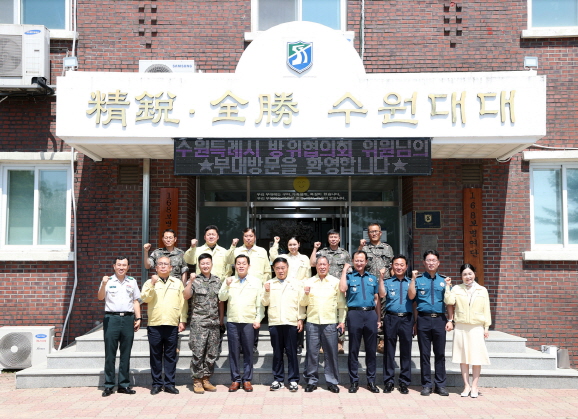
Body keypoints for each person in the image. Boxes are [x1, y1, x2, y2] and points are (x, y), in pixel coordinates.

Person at [408, 250, 454, 397]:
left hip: (440, 320)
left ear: (438, 263)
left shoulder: (445, 281)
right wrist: (415, 322)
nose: (431, 263)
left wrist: (450, 320)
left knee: (440, 354)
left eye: (434, 260)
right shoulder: (418, 280)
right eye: (428, 260)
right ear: (424, 263)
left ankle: (440, 385)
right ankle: (427, 385)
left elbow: (449, 302)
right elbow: (412, 299)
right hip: (423, 319)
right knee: (425, 354)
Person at [141, 256, 188, 395]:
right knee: (155, 355)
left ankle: (169, 384)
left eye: (165, 264)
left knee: (170, 356)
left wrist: (182, 320)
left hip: (171, 323)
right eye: (160, 264)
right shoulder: (149, 282)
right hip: (155, 324)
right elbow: (145, 298)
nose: (162, 266)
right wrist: (152, 284)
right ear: (156, 268)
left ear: (171, 267)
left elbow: (183, 302)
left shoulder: (177, 283)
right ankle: (156, 384)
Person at [300, 256, 347, 393]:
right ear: (316, 266)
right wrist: (306, 294)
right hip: (312, 322)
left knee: (331, 353)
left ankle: (332, 381)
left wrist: (342, 320)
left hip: (330, 323)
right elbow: (302, 303)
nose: (322, 267)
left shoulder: (335, 282)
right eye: (319, 264)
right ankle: (311, 381)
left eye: (324, 264)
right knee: (312, 353)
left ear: (328, 266)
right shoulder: (309, 282)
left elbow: (341, 303)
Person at [444, 264, 491, 398]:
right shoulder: (456, 288)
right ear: (461, 276)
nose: (467, 276)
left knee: (476, 357)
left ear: (474, 274)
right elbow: (449, 301)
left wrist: (486, 327)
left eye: (470, 273)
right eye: (464, 274)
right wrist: (448, 287)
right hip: (461, 327)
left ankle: (475, 386)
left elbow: (486, 309)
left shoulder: (482, 290)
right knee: (463, 357)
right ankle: (466, 385)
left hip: (476, 327)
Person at [218, 254, 264, 392]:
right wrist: (226, 286)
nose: (241, 266)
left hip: (249, 321)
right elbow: (221, 297)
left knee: (249, 351)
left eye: (244, 263)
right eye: (238, 263)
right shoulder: (230, 280)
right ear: (235, 265)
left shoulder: (256, 282)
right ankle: (235, 380)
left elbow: (260, 303)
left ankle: (247, 380)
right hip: (233, 321)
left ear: (249, 266)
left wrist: (258, 319)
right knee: (234, 351)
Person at [98, 256, 141, 397]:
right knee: (110, 354)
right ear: (114, 266)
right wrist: (104, 284)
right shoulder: (107, 280)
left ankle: (124, 385)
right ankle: (109, 385)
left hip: (128, 319)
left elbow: (135, 301)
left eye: (124, 265)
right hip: (111, 319)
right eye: (119, 265)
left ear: (128, 267)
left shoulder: (132, 281)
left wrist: (138, 318)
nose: (121, 267)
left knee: (126, 353)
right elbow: (100, 297)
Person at [262, 257, 306, 392]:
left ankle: (293, 380)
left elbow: (300, 303)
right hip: (275, 322)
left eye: (283, 268)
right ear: (273, 269)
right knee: (277, 353)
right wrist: (267, 291)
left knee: (292, 352)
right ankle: (278, 379)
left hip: (291, 321)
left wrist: (300, 318)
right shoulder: (269, 283)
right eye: (277, 268)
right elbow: (264, 302)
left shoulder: (296, 283)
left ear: (287, 268)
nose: (280, 271)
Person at [339, 251, 380, 394]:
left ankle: (371, 381)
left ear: (366, 262)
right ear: (353, 261)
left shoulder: (372, 278)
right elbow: (342, 289)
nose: (359, 263)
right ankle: (354, 381)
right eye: (356, 260)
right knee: (353, 349)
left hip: (370, 314)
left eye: (362, 260)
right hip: (354, 314)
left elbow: (376, 298)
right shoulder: (349, 277)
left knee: (371, 349)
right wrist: (344, 270)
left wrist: (378, 318)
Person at [226, 228, 271, 355]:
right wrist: (232, 246)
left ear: (255, 237)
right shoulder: (237, 251)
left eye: (251, 236)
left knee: (256, 314)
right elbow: (228, 261)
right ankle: (240, 345)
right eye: (246, 236)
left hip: (256, 287)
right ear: (243, 237)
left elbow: (267, 270)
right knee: (242, 314)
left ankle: (253, 344)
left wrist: (264, 286)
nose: (248, 238)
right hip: (240, 286)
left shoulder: (262, 251)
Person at [183, 253, 223, 394]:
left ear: (211, 264)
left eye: (207, 263)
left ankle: (206, 378)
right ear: (199, 265)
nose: (205, 266)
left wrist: (221, 319)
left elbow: (220, 301)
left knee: (212, 353)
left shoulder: (217, 281)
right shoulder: (195, 280)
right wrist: (190, 281)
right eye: (202, 263)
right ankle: (197, 380)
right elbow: (186, 296)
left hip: (214, 322)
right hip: (199, 323)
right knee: (198, 352)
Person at [378, 255, 417, 395]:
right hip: (391, 318)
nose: (399, 267)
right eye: (396, 264)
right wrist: (381, 278)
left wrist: (415, 322)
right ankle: (388, 381)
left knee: (406, 351)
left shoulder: (411, 282)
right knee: (389, 351)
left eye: (402, 265)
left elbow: (414, 301)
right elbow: (382, 295)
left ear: (406, 267)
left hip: (407, 319)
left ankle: (404, 382)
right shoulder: (388, 282)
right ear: (392, 266)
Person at [311, 229, 351, 354]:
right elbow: (312, 263)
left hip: (339, 288)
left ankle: (339, 342)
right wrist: (315, 249)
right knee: (325, 314)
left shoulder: (345, 254)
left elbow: (349, 272)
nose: (333, 239)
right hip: (324, 287)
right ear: (328, 239)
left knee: (340, 314)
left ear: (339, 239)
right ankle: (323, 344)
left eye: (335, 237)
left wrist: (346, 287)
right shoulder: (322, 252)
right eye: (331, 237)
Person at [270, 236, 311, 354]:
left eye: (294, 244)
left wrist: (303, 286)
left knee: (300, 315)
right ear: (287, 246)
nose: (292, 247)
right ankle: (286, 344)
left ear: (299, 244)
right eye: (290, 245)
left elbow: (307, 275)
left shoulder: (304, 258)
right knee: (289, 315)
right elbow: (273, 256)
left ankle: (299, 343)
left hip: (300, 288)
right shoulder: (284, 257)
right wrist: (276, 243)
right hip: (286, 288)